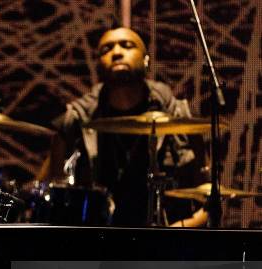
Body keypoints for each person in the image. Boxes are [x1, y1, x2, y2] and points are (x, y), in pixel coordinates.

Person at [38, 27, 207, 227]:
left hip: (166, 246)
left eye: (127, 45)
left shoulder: (180, 116)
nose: (117, 52)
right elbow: (49, 192)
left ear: (146, 60)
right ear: (99, 65)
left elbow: (208, 195)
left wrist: (176, 232)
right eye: (106, 49)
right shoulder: (76, 120)